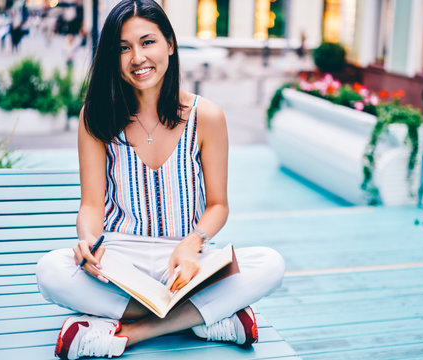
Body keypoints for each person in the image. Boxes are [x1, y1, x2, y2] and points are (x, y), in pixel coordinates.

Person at [35, 1, 285, 359]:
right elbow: (91, 204)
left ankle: (131, 333)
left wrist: (193, 242)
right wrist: (87, 240)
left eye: (147, 42)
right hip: (120, 260)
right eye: (123, 48)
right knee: (50, 271)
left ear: (169, 43)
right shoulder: (97, 116)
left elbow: (217, 205)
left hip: (184, 260)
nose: (137, 57)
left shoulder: (207, 117)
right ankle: (204, 319)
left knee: (270, 263)